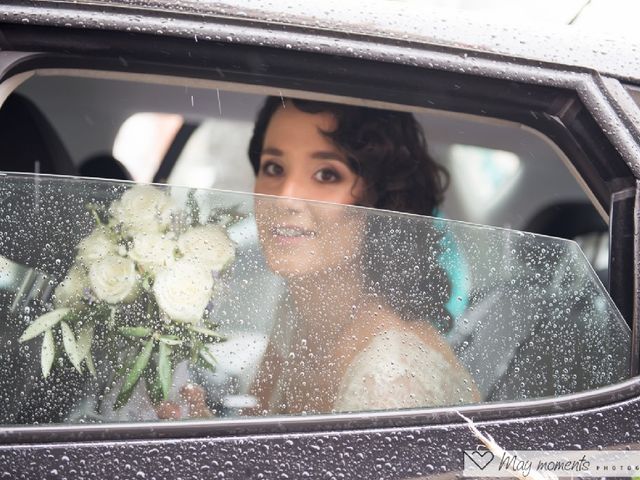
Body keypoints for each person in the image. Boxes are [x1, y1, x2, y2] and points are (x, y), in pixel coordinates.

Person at [247, 96, 480, 414]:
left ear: (380, 202)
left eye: (327, 175)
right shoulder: (299, 306)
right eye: (273, 168)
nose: (284, 197)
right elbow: (256, 433)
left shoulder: (390, 378)